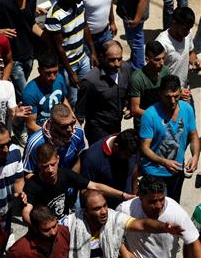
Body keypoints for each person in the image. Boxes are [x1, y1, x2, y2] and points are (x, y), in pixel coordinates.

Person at [117, 176, 201, 258]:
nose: (158, 205)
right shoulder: (125, 209)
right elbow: (113, 232)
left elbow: (193, 241)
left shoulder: (176, 212)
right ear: (140, 197)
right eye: (152, 201)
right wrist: (123, 251)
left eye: (161, 199)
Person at [22, 142, 131, 223]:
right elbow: (26, 212)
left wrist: (123, 195)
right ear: (38, 165)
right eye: (45, 166)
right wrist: (39, 228)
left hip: (64, 221)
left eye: (53, 164)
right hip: (45, 226)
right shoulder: (33, 185)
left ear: (58, 159)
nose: (50, 170)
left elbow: (95, 186)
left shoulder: (65, 174)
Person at [139, 74, 199, 202]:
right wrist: (164, 162)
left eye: (176, 96)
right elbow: (145, 148)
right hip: (154, 173)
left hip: (176, 172)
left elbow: (193, 136)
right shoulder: (150, 115)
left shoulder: (187, 109)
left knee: (173, 207)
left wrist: (195, 156)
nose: (172, 101)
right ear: (160, 94)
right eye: (168, 97)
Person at [45, 0, 97, 108]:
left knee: (87, 90)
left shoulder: (79, 4)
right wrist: (71, 73)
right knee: (72, 98)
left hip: (83, 57)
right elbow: (59, 47)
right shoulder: (54, 15)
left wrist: (93, 52)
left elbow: (85, 27)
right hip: (68, 66)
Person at [77, 41, 132, 144]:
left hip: (116, 126)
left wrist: (129, 107)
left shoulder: (126, 69)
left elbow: (129, 92)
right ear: (101, 57)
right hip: (98, 131)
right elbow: (80, 113)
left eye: (119, 59)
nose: (117, 64)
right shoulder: (90, 82)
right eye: (112, 60)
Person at [0, 0, 42, 96]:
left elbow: (32, 24)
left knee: (19, 92)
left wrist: (48, 37)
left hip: (29, 53)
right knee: (26, 94)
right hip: (13, 58)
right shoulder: (1, 3)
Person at [81, 129, 140, 209]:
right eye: (126, 155)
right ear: (116, 147)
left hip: (127, 204)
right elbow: (86, 189)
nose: (129, 158)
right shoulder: (93, 158)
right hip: (106, 208)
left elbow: (134, 167)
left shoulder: (132, 146)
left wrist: (134, 193)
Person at [23, 104, 86, 173]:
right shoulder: (35, 143)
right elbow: (27, 173)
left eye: (72, 123)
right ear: (52, 124)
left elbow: (79, 159)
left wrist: (72, 180)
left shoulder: (78, 133)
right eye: (64, 126)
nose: (70, 129)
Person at [23, 51, 71, 134]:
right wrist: (54, 135)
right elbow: (31, 124)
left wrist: (73, 118)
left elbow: (63, 100)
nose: (53, 77)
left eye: (55, 72)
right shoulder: (29, 93)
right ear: (39, 70)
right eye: (48, 73)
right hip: (42, 133)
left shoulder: (60, 78)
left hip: (60, 129)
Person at [155, 7, 200, 90]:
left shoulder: (187, 35)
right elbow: (155, 72)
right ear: (174, 23)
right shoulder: (162, 43)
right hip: (169, 92)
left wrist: (195, 62)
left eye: (190, 28)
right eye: (185, 28)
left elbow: (190, 52)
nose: (188, 32)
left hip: (184, 87)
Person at [128, 40, 169, 129]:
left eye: (163, 58)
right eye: (157, 59)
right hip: (145, 125)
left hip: (162, 123)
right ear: (147, 59)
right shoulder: (137, 78)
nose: (162, 63)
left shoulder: (165, 71)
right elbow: (135, 110)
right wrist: (157, 117)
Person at [116, 0, 149, 70]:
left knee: (136, 43)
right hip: (128, 12)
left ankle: (138, 69)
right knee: (132, 40)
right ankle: (135, 60)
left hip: (133, 16)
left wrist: (137, 19)